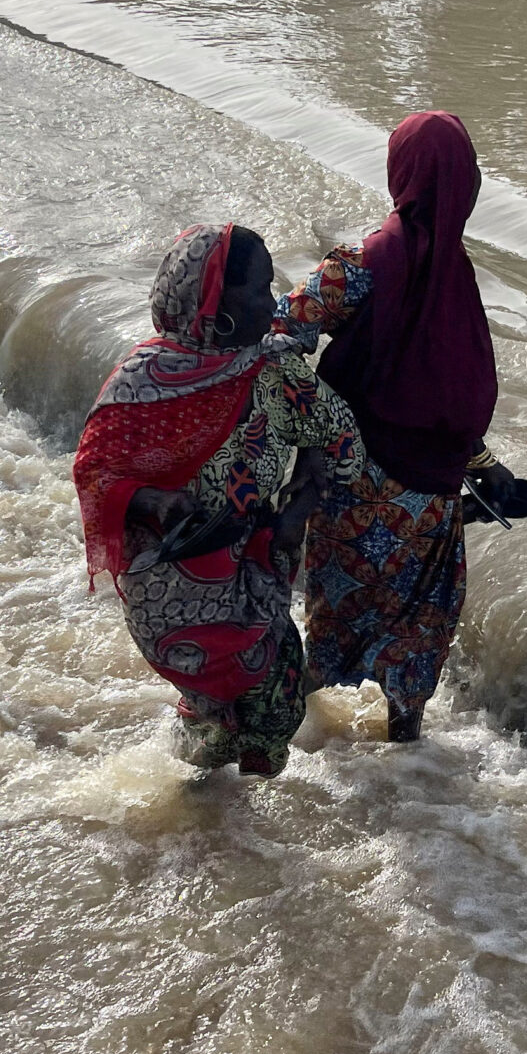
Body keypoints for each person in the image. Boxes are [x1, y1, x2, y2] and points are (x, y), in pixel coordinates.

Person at [74, 224, 360, 777]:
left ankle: (223, 817)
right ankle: (217, 828)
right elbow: (94, 474)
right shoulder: (142, 383)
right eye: (257, 289)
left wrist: (296, 514)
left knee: (273, 705)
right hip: (168, 587)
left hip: (256, 561)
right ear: (214, 302)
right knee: (226, 705)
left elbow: (336, 437)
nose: (273, 301)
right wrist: (153, 502)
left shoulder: (274, 370)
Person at [277, 111, 517, 743]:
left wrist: (314, 420)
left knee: (333, 622)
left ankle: (272, 734)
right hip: (429, 500)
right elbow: (455, 397)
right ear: (465, 187)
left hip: (351, 487)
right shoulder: (457, 281)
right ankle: (406, 752)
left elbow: (280, 331)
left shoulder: (357, 267)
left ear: (400, 176)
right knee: (417, 627)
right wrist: (484, 468)